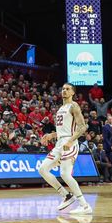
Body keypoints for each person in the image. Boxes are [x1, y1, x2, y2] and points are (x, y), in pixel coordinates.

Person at [38, 83, 93, 215]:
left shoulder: (74, 106)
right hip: (60, 143)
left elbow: (83, 127)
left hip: (71, 143)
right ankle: (66, 195)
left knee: (64, 174)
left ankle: (84, 205)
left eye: (67, 89)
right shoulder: (60, 108)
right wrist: (52, 135)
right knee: (43, 169)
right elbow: (63, 130)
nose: (64, 91)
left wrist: (70, 140)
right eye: (63, 89)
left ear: (73, 93)